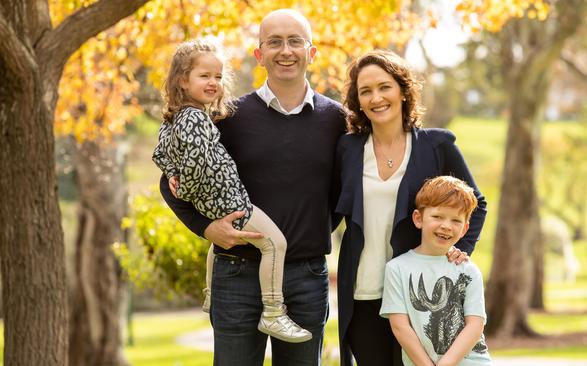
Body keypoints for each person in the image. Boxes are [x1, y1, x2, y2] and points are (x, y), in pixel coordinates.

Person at [158, 10, 346, 365]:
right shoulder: (227, 116)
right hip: (236, 273)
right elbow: (171, 182)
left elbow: (342, 192)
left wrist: (312, 231)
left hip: (306, 278)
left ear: (312, 52)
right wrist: (206, 227)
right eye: (274, 42)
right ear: (259, 55)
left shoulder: (336, 119)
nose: (285, 50)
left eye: (295, 41)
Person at [151, 36, 311, 343]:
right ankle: (275, 313)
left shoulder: (174, 116)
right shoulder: (195, 118)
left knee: (218, 244)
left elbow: (159, 154)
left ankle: (210, 295)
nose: (213, 83)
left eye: (218, 77)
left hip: (215, 200)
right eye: (204, 76)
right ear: (183, 81)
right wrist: (186, 190)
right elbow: (196, 164)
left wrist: (173, 172)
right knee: (274, 244)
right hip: (227, 201)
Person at [335, 50, 487, 366]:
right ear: (358, 101)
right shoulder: (348, 149)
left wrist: (459, 251)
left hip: (423, 296)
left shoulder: (437, 146)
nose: (376, 97)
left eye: (384, 86)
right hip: (364, 293)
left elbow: (477, 203)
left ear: (403, 91)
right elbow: (329, 209)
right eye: (365, 91)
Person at [380, 176, 492, 366]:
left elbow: (475, 325)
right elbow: (400, 326)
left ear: (465, 229)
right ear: (418, 218)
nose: (446, 226)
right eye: (437, 216)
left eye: (456, 220)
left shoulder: (468, 270)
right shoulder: (397, 268)